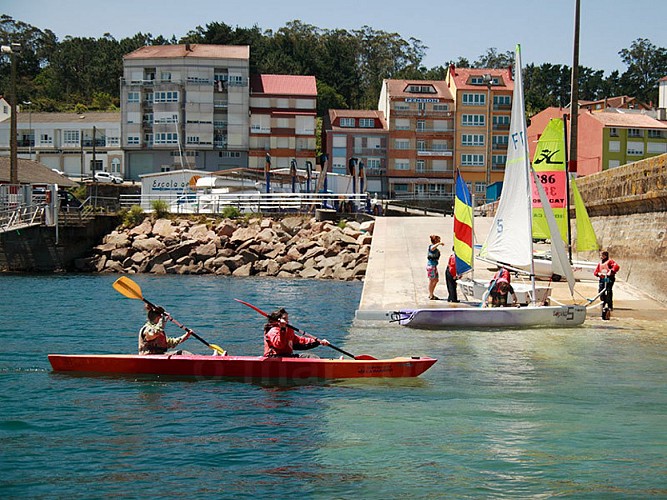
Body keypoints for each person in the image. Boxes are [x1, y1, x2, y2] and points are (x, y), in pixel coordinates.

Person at [263, 308, 330, 358]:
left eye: (287, 319)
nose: (287, 321)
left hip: (287, 357)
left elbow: (300, 341)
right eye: (285, 319)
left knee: (312, 357)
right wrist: (282, 329)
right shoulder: (272, 331)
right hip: (275, 358)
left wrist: (318, 341)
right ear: (278, 320)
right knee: (309, 357)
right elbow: (280, 345)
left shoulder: (288, 330)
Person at [427, 234, 445, 300]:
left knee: (436, 280)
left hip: (434, 266)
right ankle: (431, 295)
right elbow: (432, 248)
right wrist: (439, 244)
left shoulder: (435, 249)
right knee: (432, 280)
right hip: (431, 266)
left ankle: (431, 293)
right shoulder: (431, 247)